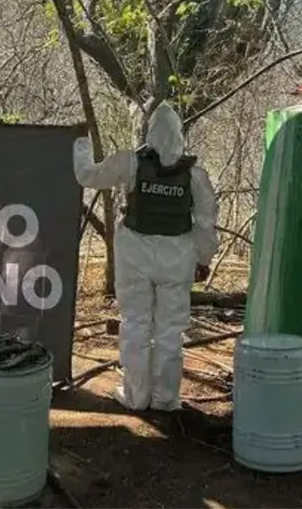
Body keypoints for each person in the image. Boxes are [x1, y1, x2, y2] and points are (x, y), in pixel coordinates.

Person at [73, 101, 219, 412]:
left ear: (150, 133)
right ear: (181, 136)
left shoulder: (130, 163)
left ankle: (136, 396)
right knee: (170, 330)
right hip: (177, 260)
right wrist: (204, 259)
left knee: (136, 324)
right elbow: (206, 224)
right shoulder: (196, 176)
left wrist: (80, 144)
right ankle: (166, 399)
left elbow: (87, 176)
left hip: (134, 258)